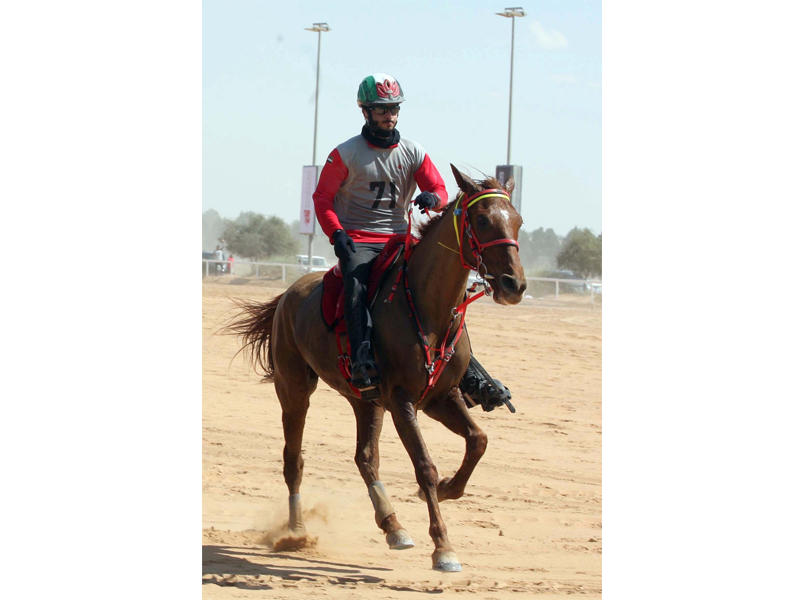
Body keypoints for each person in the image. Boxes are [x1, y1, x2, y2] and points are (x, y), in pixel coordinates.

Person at [313, 73, 511, 411]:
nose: (389, 115)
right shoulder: (344, 154)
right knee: (356, 287)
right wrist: (337, 234)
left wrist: (432, 199)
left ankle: (470, 373)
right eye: (381, 109)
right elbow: (322, 199)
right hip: (358, 239)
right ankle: (361, 358)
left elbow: (439, 188)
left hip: (401, 239)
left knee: (445, 291)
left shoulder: (413, 151)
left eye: (393, 108)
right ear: (366, 112)